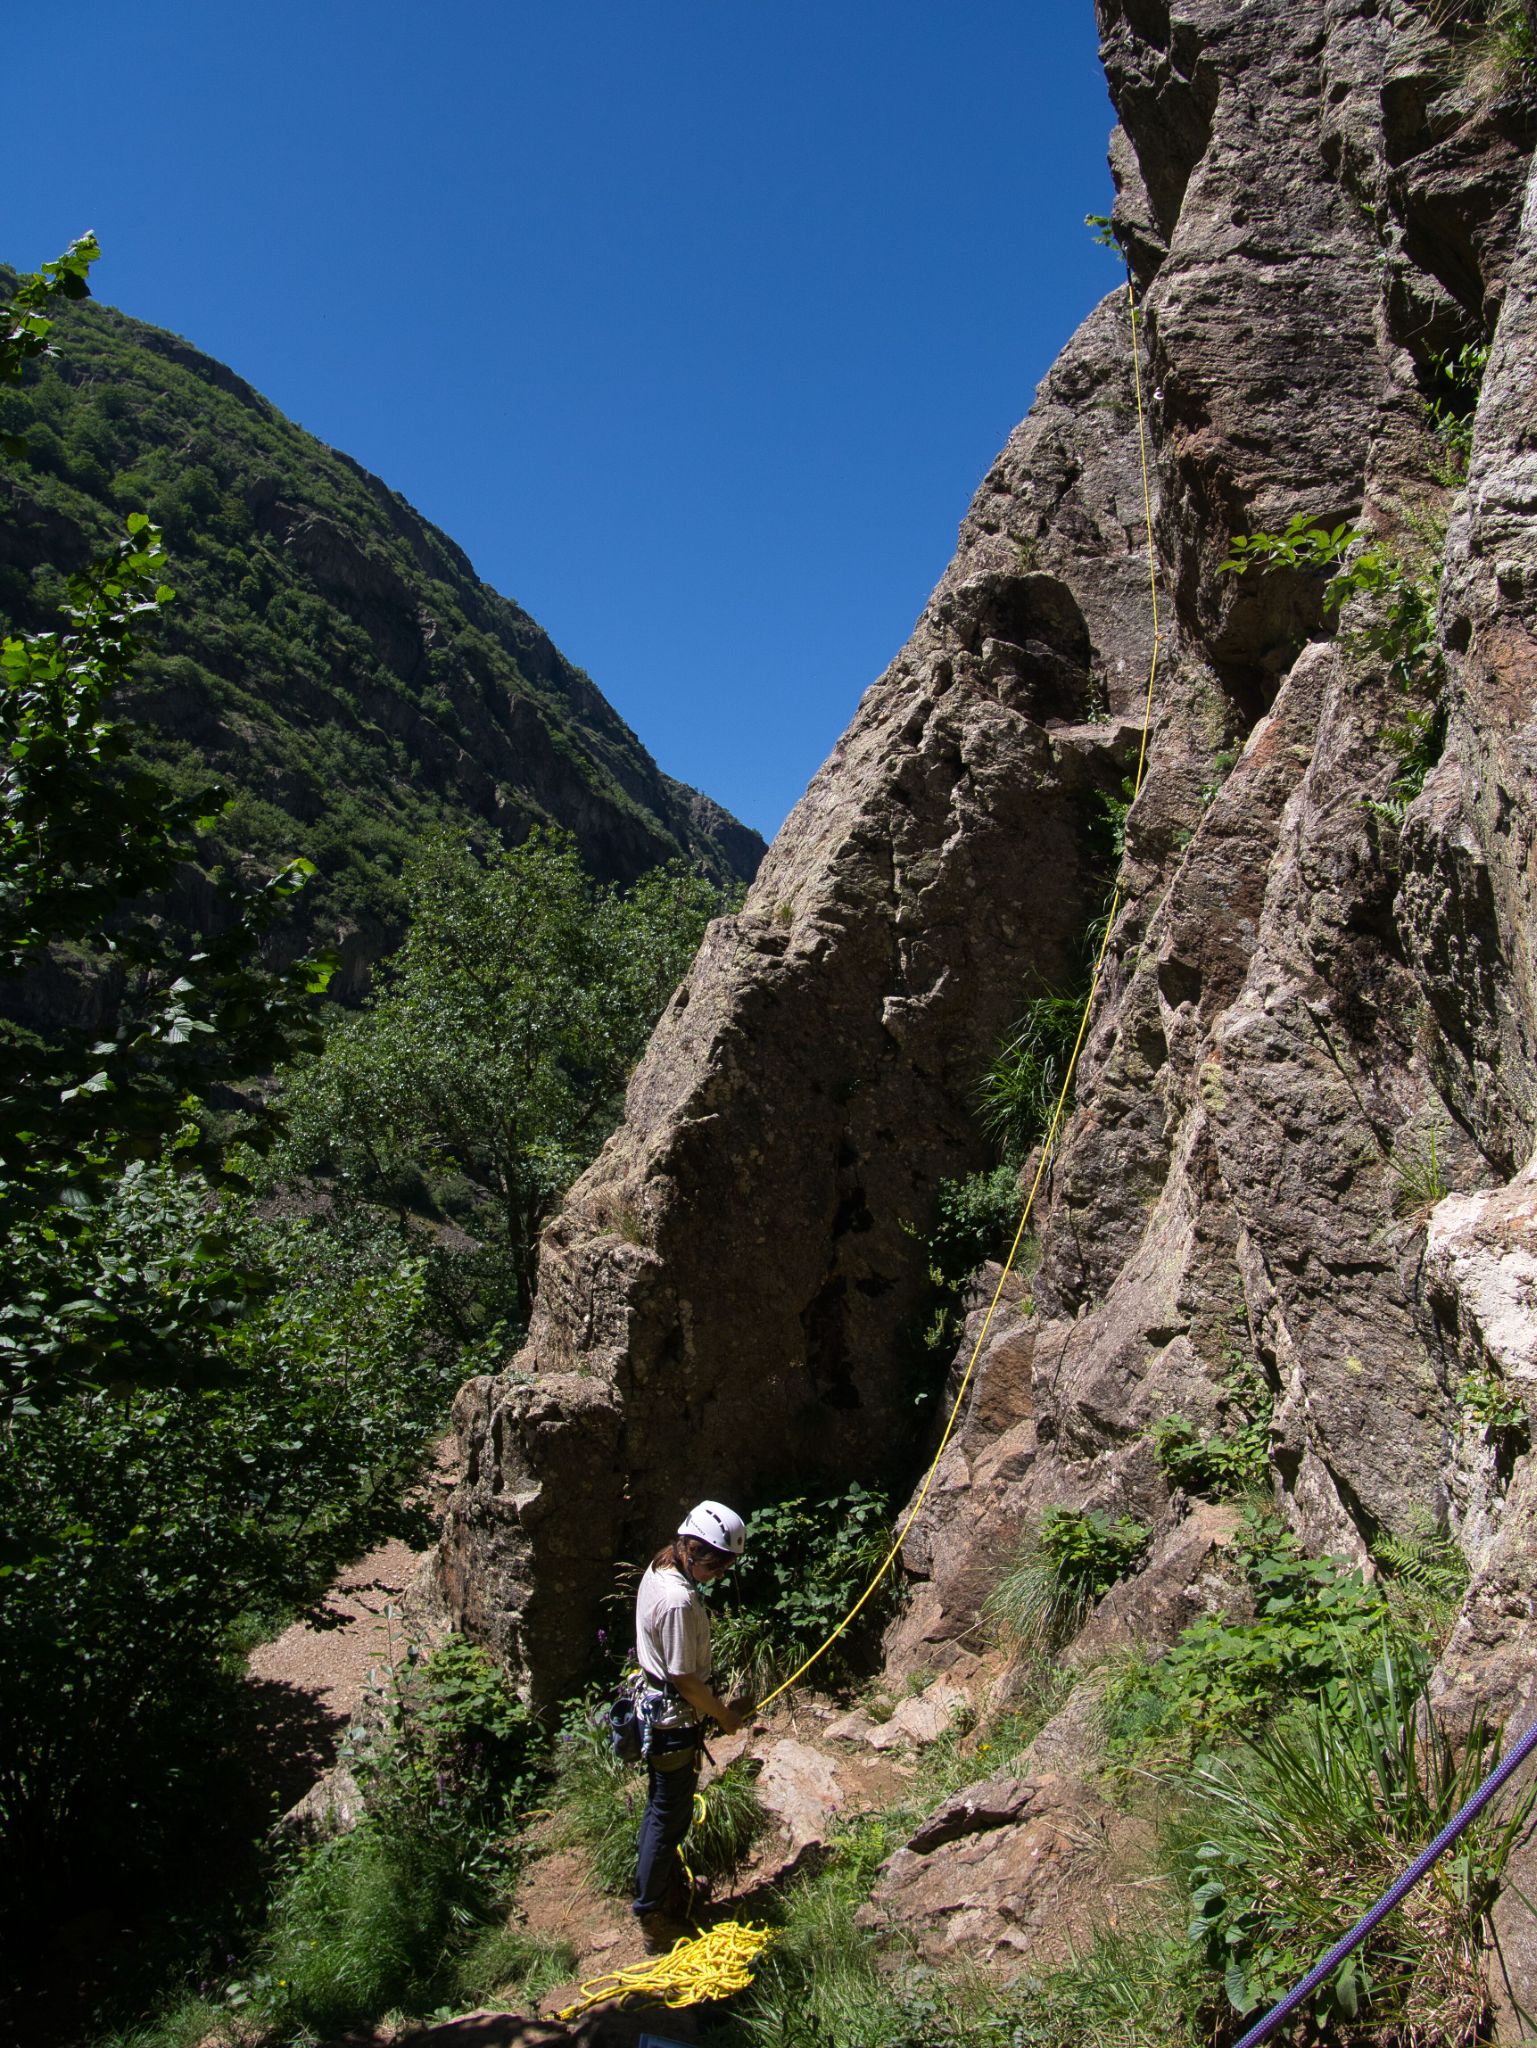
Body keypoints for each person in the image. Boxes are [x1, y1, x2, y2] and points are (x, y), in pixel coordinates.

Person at [631, 1499, 748, 1932]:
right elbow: (685, 1679)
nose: (718, 1576)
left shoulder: (661, 1567)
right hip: (672, 1722)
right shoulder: (678, 1600)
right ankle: (653, 1911)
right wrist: (724, 1716)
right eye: (716, 1567)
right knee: (670, 1814)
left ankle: (657, 1890)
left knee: (660, 1807)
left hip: (658, 1714)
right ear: (695, 1551)